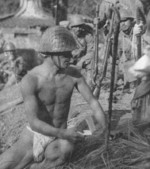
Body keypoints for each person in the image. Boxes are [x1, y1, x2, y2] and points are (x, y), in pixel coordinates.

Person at [0, 26, 106, 169]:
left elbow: (93, 102)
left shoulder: (74, 75)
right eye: (66, 54)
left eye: (71, 52)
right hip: (34, 136)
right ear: (50, 54)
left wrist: (106, 129)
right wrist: (64, 133)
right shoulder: (31, 80)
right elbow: (33, 122)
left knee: (64, 150)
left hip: (60, 137)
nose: (71, 57)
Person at [69, 14, 95, 88]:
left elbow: (91, 52)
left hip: (83, 60)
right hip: (70, 61)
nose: (78, 29)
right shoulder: (67, 36)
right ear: (71, 27)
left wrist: (82, 61)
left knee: (91, 64)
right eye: (76, 27)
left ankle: (89, 86)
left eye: (80, 26)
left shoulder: (88, 36)